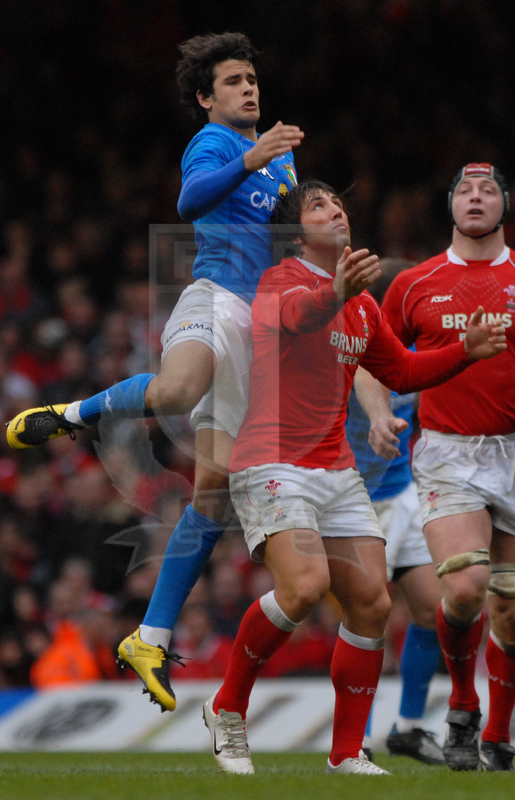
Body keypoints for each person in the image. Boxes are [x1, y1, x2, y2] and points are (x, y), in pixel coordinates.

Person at [4, 33, 304, 712]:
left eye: (252, 79)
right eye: (233, 81)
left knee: (213, 495)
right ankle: (70, 415)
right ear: (206, 97)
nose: (248, 89)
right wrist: (250, 157)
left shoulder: (284, 158)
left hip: (259, 329)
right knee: (176, 389)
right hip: (213, 299)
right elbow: (190, 202)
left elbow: (283, 240)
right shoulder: (216, 143)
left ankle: (150, 636)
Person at [201, 179, 506, 776]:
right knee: (304, 586)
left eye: (338, 203)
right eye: (319, 205)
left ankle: (345, 753)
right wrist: (334, 291)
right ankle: (227, 706)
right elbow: (295, 317)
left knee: (371, 603)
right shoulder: (279, 281)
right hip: (272, 461)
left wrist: (464, 352)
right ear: (297, 234)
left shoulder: (363, 304)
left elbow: (403, 371)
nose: (336, 210)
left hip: (336, 469)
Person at [377, 163, 515, 772]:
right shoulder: (415, 283)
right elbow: (369, 356)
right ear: (451, 205)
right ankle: (463, 707)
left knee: (510, 607)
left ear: (505, 204)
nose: (476, 198)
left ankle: (499, 739)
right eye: (465, 190)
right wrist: (378, 412)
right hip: (448, 452)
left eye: (488, 190)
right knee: (463, 588)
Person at [346, 259, 444, 765]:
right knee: (367, 619)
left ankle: (407, 727)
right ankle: (355, 740)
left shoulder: (414, 354)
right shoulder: (349, 347)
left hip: (404, 494)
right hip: (357, 501)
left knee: (433, 609)